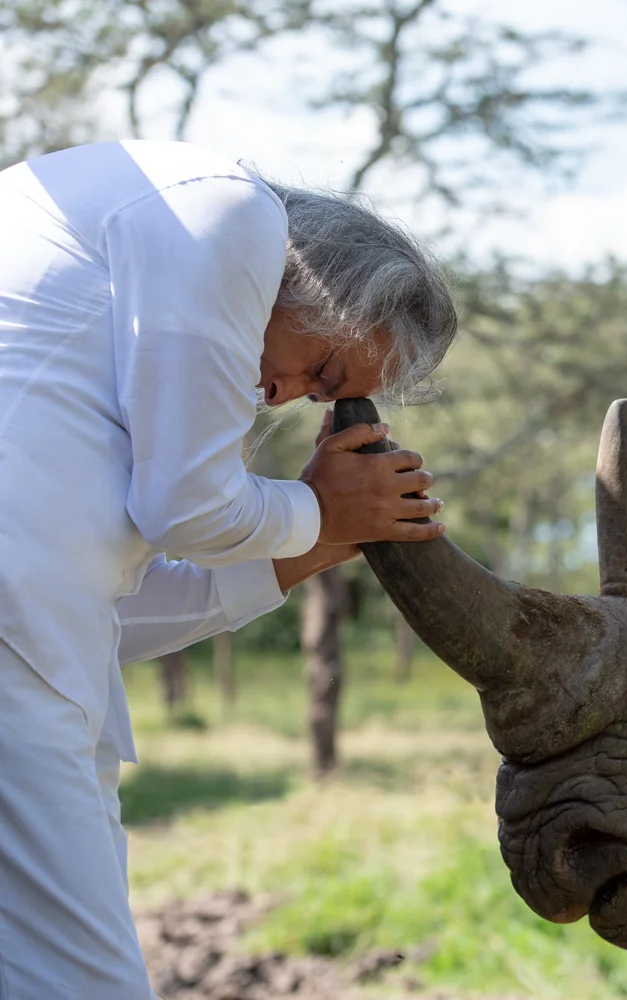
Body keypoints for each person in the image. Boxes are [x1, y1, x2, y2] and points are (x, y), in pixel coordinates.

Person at [0, 139, 458, 998]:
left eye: (319, 398)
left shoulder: (81, 366)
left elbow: (107, 619)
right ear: (314, 277)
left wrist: (318, 542)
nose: (281, 399)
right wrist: (322, 506)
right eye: (323, 371)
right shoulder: (228, 210)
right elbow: (189, 511)